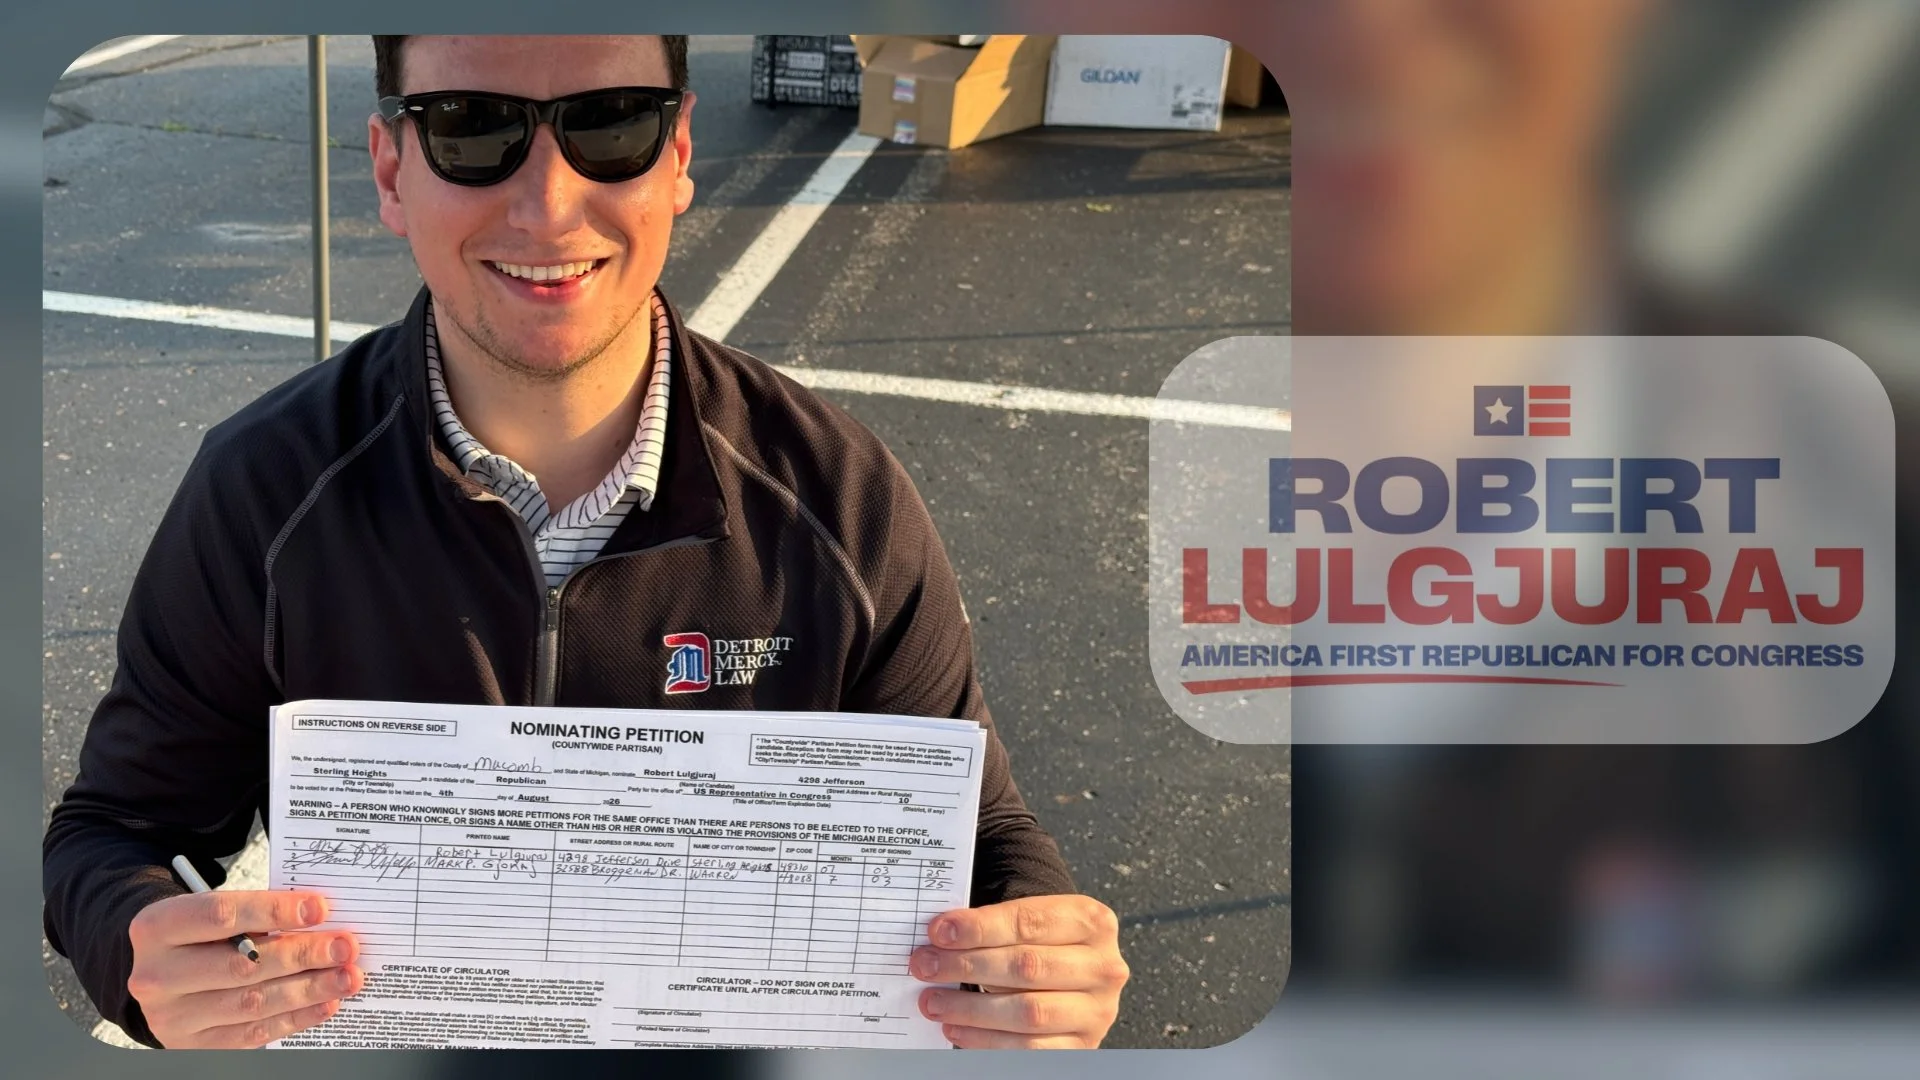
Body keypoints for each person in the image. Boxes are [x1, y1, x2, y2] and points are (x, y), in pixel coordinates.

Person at [42, 34, 1127, 1050]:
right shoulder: (263, 495)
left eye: (612, 126)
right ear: (389, 169)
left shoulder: (843, 504)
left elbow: (980, 840)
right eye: (473, 128)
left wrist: (1039, 955)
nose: (548, 205)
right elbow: (110, 833)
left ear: (680, 155)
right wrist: (139, 954)